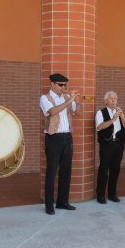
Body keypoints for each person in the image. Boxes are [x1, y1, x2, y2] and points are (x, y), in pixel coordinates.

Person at [39, 73, 81, 215]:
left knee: (66, 171)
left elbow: (77, 112)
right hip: (53, 138)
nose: (64, 87)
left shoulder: (67, 97)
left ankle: (62, 202)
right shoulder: (45, 98)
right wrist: (69, 101)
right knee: (51, 172)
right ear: (52, 84)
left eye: (65, 85)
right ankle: (49, 205)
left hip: (67, 136)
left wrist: (77, 101)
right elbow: (52, 111)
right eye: (61, 85)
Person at [95, 91, 125, 204]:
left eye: (115, 98)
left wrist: (122, 116)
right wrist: (113, 119)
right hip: (106, 144)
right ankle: (100, 195)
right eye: (111, 98)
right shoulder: (100, 112)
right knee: (104, 170)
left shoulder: (119, 112)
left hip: (118, 144)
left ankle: (112, 194)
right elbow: (99, 127)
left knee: (115, 170)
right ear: (106, 101)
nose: (114, 100)